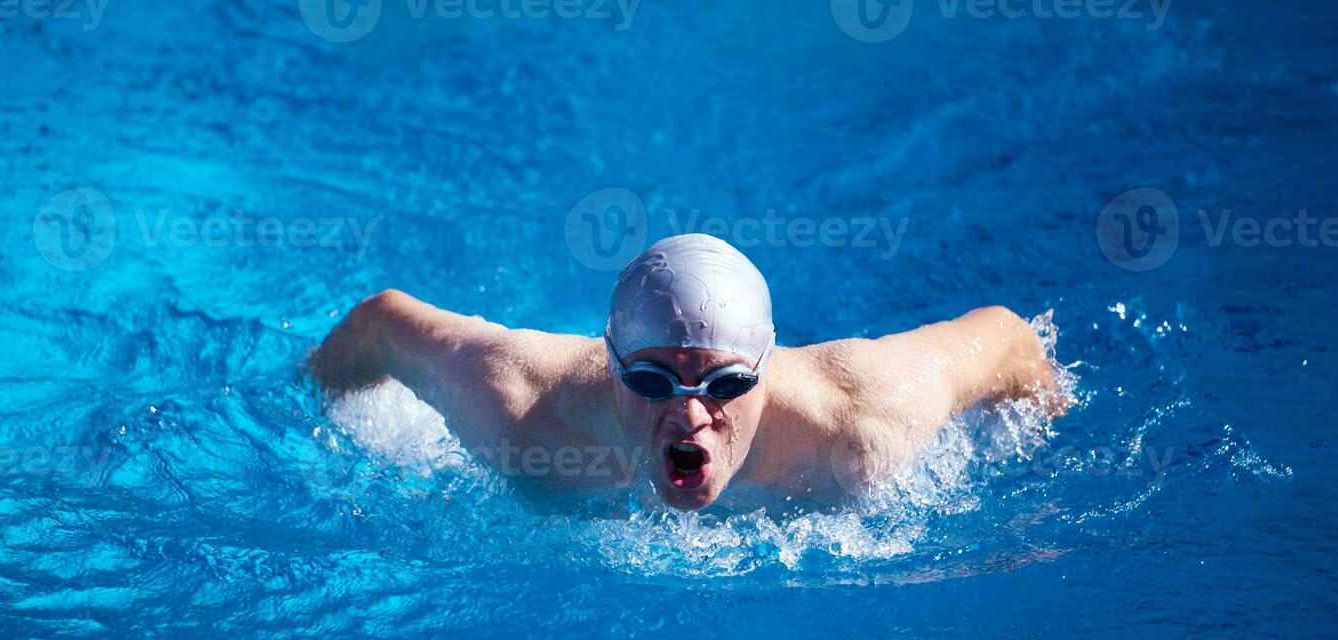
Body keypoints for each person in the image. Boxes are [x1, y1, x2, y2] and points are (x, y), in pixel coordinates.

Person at [308, 234, 1066, 511]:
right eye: (651, 382)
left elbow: (1005, 340)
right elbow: (379, 323)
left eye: (727, 385)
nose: (691, 416)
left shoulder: (859, 427)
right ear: (607, 368)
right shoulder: (522, 414)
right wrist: (312, 432)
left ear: (766, 371)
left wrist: (1043, 449)